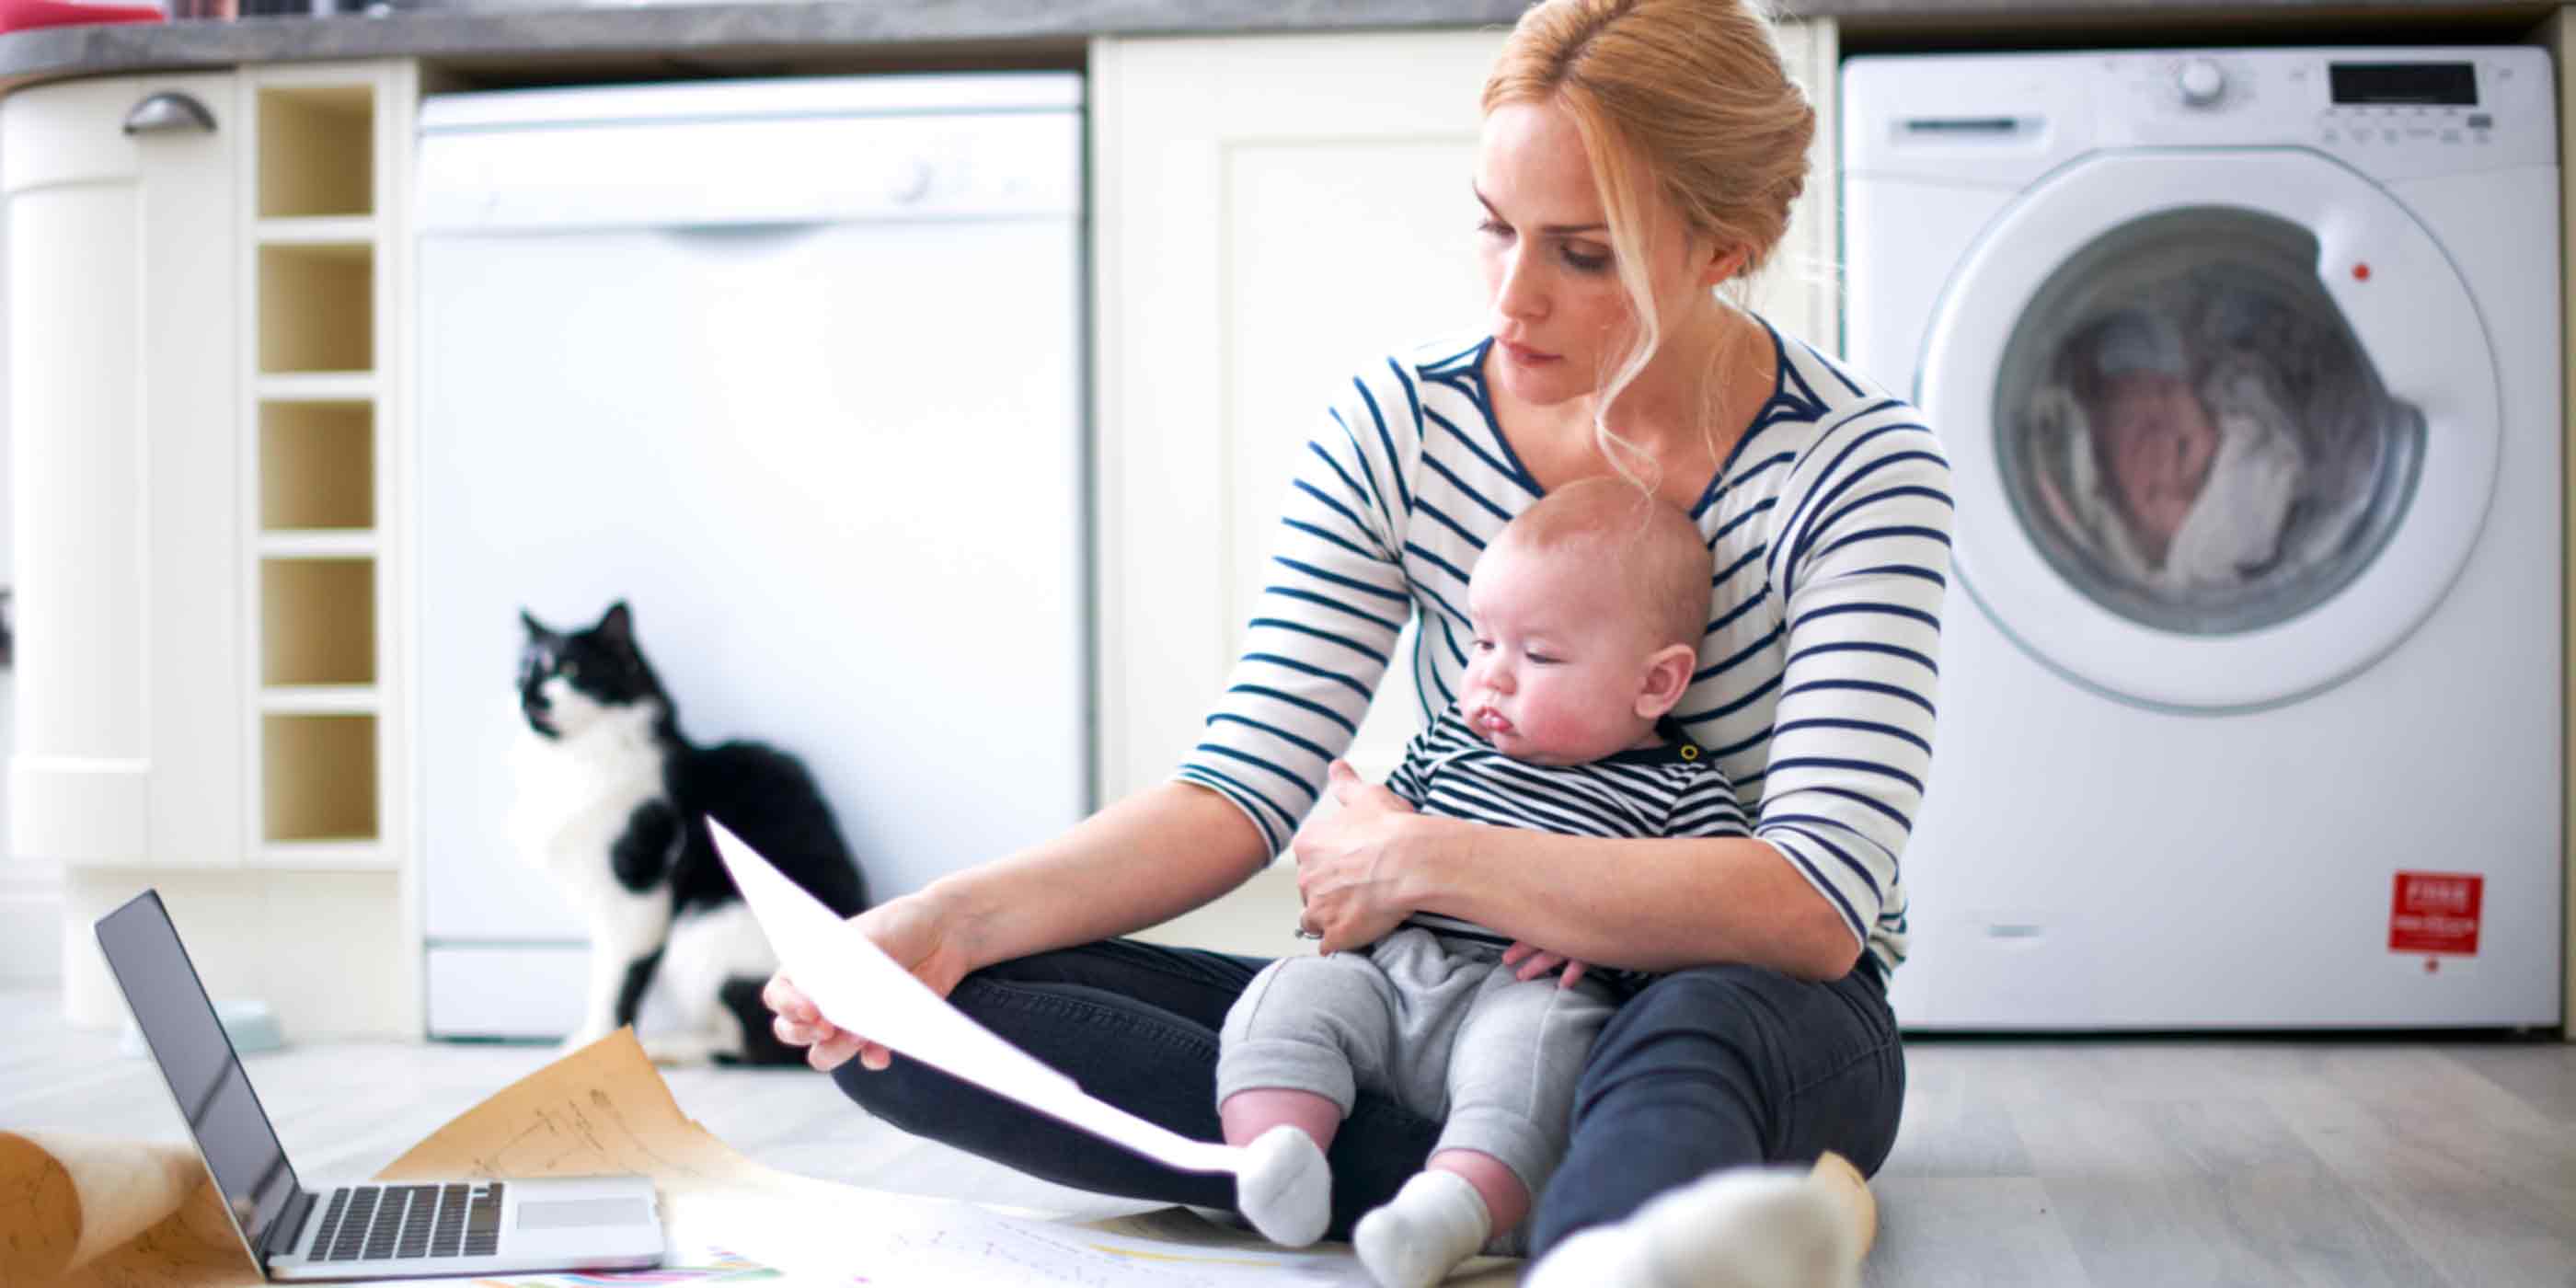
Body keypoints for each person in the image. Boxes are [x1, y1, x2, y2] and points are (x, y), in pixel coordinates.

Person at [763, 2, 1950, 1284]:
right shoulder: (1404, 424)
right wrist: (946, 918)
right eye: (1495, 227)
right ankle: (1557, 1181)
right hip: (1429, 997)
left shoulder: (1861, 469)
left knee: (1695, 1031)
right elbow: (1240, 788)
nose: (1514, 295)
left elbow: (1812, 905)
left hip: (1737, 1000)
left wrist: (1425, 858)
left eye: (1584, 254)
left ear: (1730, 245)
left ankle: (1593, 1237)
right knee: (932, 1022)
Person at [1218, 477, 1731, 1288]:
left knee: (1533, 1067)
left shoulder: (1679, 788)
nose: (1491, 678)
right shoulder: (1448, 747)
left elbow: (1707, 921)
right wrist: (1361, 839)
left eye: (1540, 655)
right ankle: (1275, 1159)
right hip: (1395, 974)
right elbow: (1373, 850)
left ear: (1656, 683)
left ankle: (1448, 1211)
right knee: (1290, 995)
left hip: (1527, 993)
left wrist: (1618, 945)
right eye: (1483, 643)